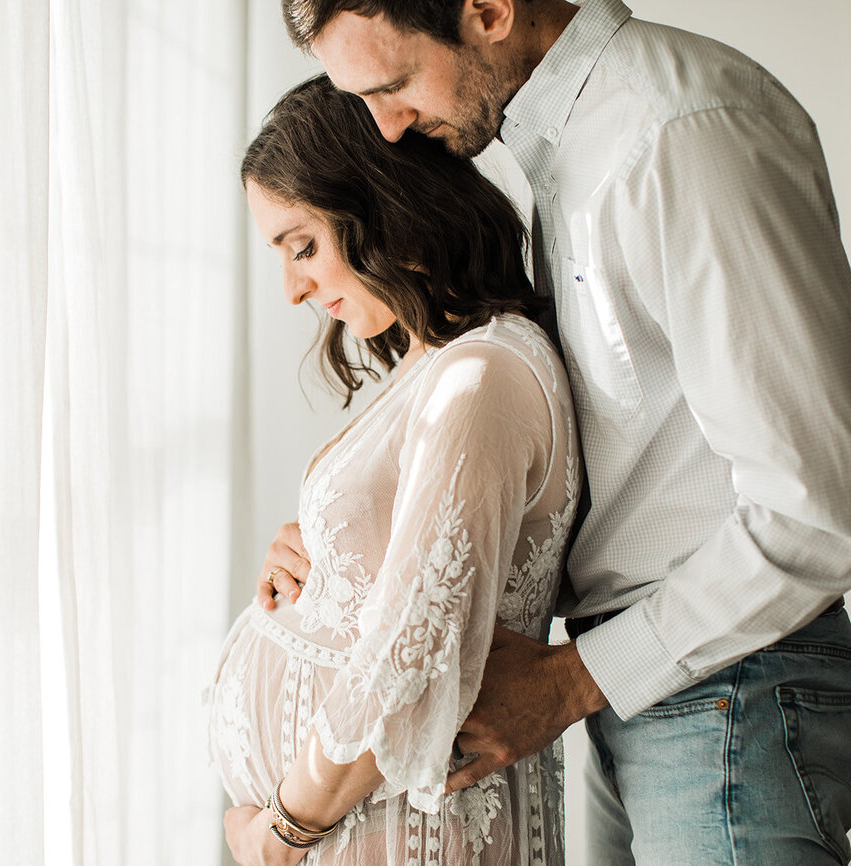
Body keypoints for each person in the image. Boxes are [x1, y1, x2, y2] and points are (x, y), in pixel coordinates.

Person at [263, 0, 851, 863]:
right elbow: (631, 458)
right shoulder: (569, 153)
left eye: (391, 85)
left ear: (489, 11)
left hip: (732, 696)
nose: (384, 128)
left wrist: (572, 682)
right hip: (658, 693)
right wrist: (353, 552)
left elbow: (818, 509)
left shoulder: (676, 134)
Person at [208, 74, 580, 866]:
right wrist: (316, 560)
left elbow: (409, 661)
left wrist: (279, 834)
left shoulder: (480, 379)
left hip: (398, 833)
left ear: (384, 204)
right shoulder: (434, 365)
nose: (292, 289)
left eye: (302, 246)